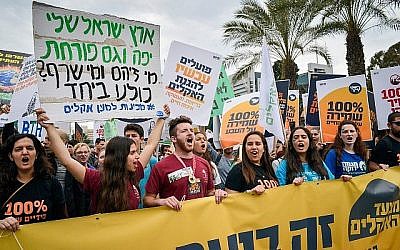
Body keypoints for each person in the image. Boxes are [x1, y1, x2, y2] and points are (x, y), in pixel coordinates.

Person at [37, 109, 146, 214]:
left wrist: (162, 117)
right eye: (132, 153)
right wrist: (49, 127)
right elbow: (67, 160)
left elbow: (150, 145)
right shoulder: (97, 179)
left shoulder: (133, 175)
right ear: (120, 157)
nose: (137, 156)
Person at [144, 116, 226, 210]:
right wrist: (162, 201)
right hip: (175, 221)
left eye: (191, 130)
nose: (190, 133)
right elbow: (148, 199)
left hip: (200, 221)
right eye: (184, 131)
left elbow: (209, 192)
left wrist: (217, 192)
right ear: (174, 139)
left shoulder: (204, 163)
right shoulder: (161, 166)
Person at [0, 134, 66, 232]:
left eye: (30, 148)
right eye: (18, 149)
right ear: (11, 156)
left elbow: (61, 220)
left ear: (37, 154)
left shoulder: (51, 183)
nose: (25, 152)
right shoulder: (2, 183)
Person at [64, 142, 94, 217]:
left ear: (89, 153)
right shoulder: (71, 170)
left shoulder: (93, 170)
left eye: (85, 152)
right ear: (75, 155)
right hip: (78, 208)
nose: (83, 155)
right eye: (80, 152)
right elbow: (69, 192)